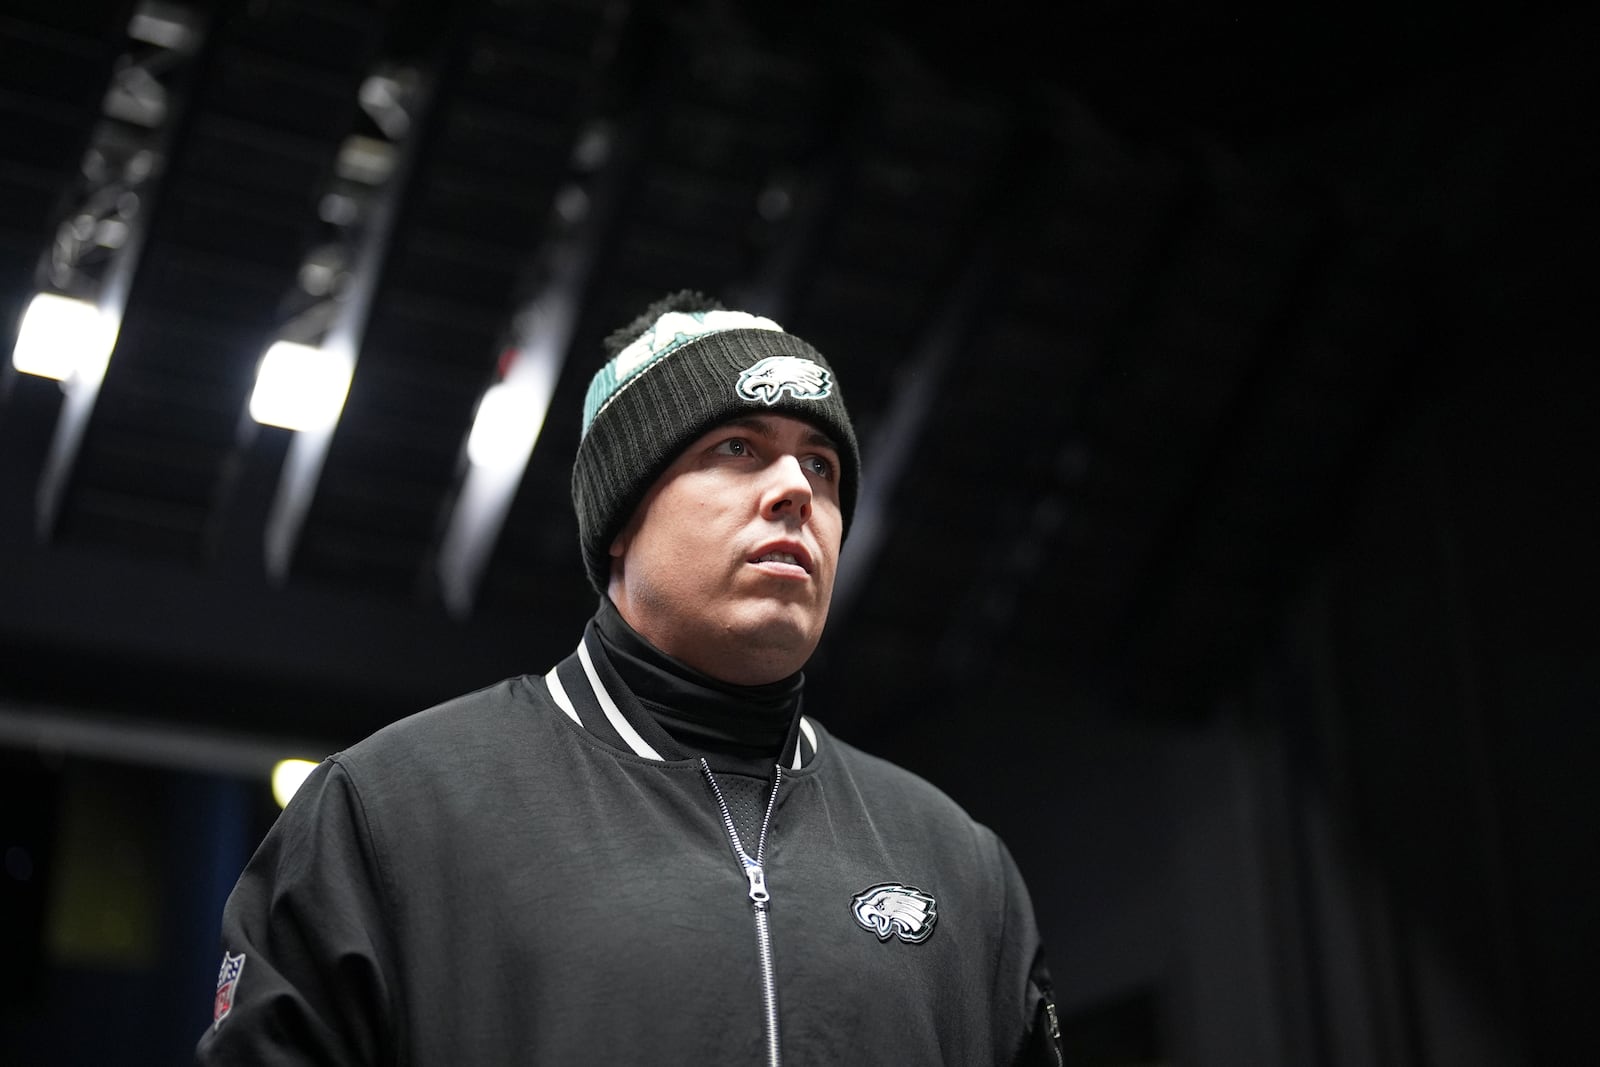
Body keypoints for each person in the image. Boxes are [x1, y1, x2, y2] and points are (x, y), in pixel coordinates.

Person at [196, 291, 1065, 1065]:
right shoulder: (390, 814)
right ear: (620, 512)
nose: (795, 488)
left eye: (823, 465)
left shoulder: (959, 865)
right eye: (736, 446)